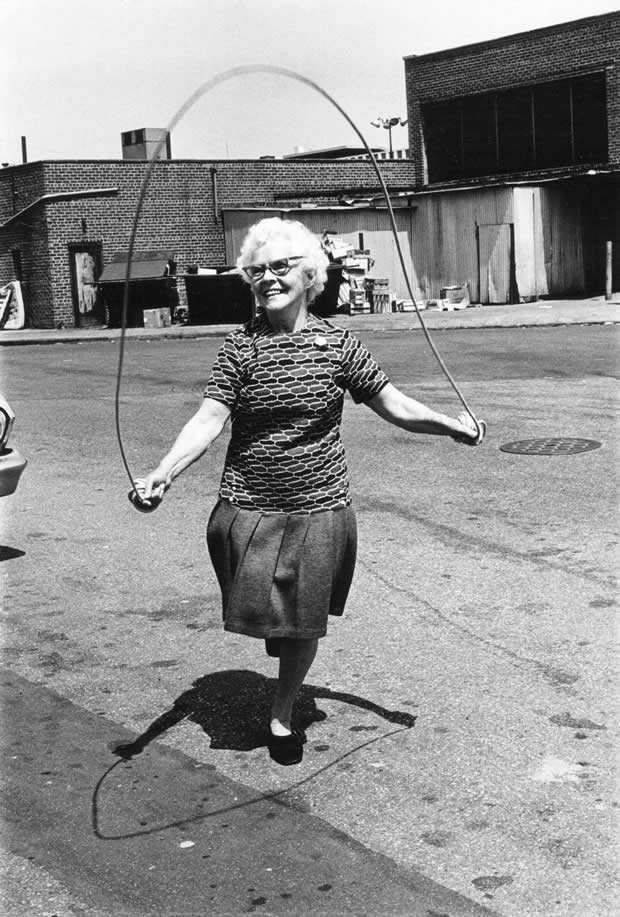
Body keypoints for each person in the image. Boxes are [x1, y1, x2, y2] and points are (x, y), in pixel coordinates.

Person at [134, 217, 484, 766]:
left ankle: (281, 712)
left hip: (320, 508)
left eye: (280, 268)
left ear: (310, 275)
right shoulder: (240, 348)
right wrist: (164, 471)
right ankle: (282, 627)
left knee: (301, 621)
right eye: (257, 271)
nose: (268, 279)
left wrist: (450, 425)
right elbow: (210, 417)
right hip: (246, 507)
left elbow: (392, 403)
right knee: (262, 612)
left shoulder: (337, 344)